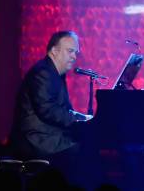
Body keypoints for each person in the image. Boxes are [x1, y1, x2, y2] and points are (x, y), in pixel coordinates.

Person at [10, 31, 92, 161]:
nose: (74, 56)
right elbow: (48, 110)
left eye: (76, 52)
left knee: (87, 145)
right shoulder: (43, 73)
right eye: (70, 51)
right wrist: (78, 121)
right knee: (84, 150)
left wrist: (83, 117)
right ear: (54, 51)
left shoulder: (53, 73)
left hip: (47, 134)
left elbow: (62, 109)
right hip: (37, 138)